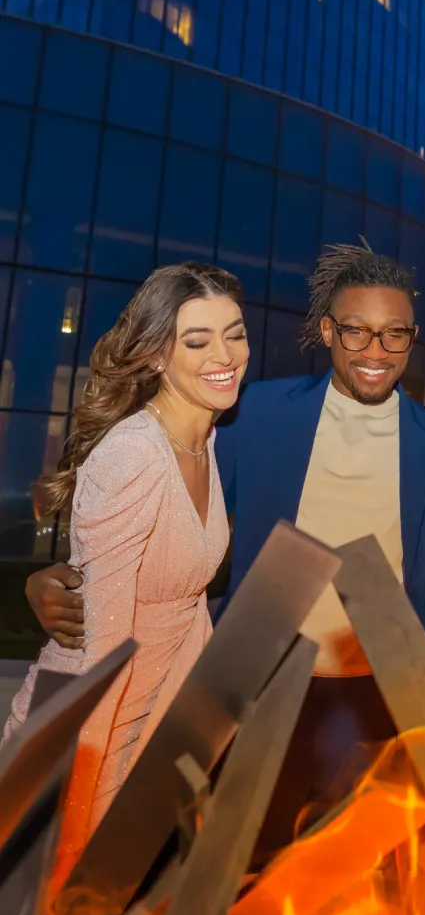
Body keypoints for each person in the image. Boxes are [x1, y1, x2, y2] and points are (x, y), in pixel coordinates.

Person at [25, 243, 425, 851]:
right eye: (358, 331)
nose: (376, 350)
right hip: (257, 689)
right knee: (239, 880)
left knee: (378, 893)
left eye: (395, 334)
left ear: (412, 339)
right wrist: (56, 576)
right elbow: (146, 498)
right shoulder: (249, 415)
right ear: (327, 331)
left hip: (385, 697)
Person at [4, 262, 248, 859]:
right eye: (198, 340)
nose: (225, 354)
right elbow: (102, 651)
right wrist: (79, 789)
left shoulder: (204, 438)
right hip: (96, 719)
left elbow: (188, 606)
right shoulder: (133, 456)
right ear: (158, 356)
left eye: (235, 333)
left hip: (160, 703)